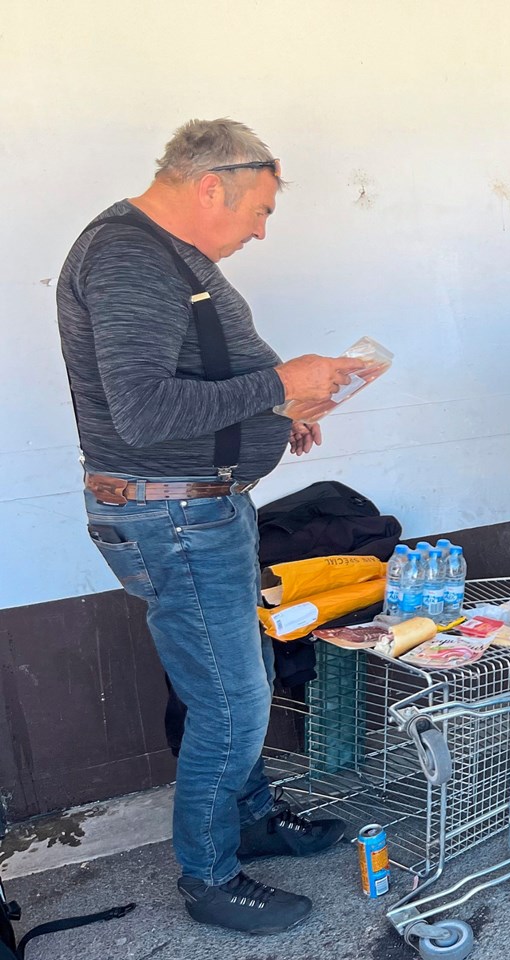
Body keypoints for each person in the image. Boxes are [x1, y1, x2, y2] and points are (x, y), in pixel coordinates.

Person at [56, 118, 366, 934]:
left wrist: (276, 411)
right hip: (174, 516)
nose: (261, 231)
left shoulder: (166, 255)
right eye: (260, 210)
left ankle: (251, 819)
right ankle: (210, 876)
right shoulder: (127, 256)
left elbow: (192, 383)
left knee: (243, 675)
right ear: (210, 186)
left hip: (200, 507)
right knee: (232, 704)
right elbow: (144, 410)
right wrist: (277, 384)